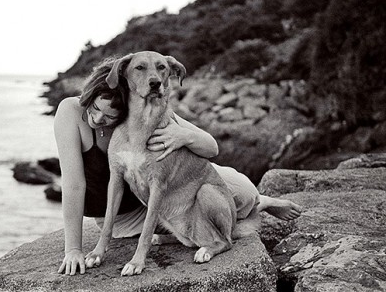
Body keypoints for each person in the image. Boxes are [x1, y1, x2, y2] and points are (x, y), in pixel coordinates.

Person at [54, 57, 302, 276]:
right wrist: (73, 249)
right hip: (129, 213)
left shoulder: (140, 111)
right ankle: (245, 209)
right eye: (94, 108)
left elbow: (211, 148)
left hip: (168, 189)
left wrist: (183, 136)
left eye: (109, 116)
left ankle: (260, 201)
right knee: (195, 224)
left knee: (245, 190)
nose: (98, 119)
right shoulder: (71, 111)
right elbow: (74, 185)